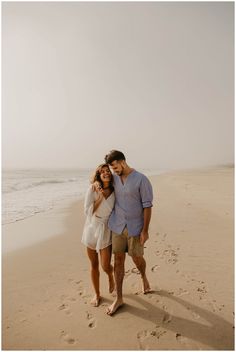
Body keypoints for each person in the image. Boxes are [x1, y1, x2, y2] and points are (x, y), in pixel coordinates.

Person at [104, 150, 153, 315]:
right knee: (118, 260)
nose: (113, 171)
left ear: (122, 162)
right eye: (111, 168)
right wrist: (96, 184)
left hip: (135, 227)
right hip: (117, 226)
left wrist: (145, 230)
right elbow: (101, 182)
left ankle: (143, 276)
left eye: (115, 167)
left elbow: (147, 206)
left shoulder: (141, 179)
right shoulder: (114, 179)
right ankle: (119, 298)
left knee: (137, 258)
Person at [82, 163, 115, 307]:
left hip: (107, 228)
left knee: (106, 265)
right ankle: (97, 294)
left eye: (108, 171)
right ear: (99, 175)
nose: (106, 173)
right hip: (92, 228)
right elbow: (87, 211)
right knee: (94, 264)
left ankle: (110, 276)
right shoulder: (93, 188)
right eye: (103, 172)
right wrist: (100, 197)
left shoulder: (116, 189)